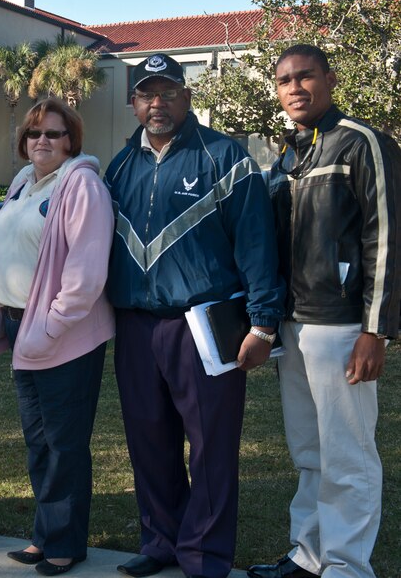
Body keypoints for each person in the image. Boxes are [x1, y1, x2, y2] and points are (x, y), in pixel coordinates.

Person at [104, 54, 285, 578]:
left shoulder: (225, 156)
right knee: (148, 439)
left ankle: (204, 555)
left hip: (206, 325)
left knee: (210, 445)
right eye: (145, 93)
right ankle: (161, 541)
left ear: (186, 96)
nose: (156, 102)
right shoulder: (118, 166)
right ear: (133, 102)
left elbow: (257, 244)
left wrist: (263, 323)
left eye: (167, 92)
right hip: (136, 325)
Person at [247, 44, 401, 578]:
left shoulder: (362, 143)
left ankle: (346, 566)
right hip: (294, 325)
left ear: (329, 79)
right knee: (310, 452)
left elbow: (386, 236)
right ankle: (309, 556)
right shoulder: (288, 155)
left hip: (342, 328)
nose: (294, 88)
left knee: (348, 455)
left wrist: (376, 330)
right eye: (285, 79)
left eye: (305, 76)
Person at [0, 98, 114, 576]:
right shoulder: (22, 183)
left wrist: (52, 325)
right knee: (39, 442)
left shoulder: (82, 184)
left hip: (66, 334)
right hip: (23, 326)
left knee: (64, 443)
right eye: (36, 133)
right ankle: (46, 534)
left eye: (54, 134)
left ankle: (65, 542)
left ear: (71, 140)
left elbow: (85, 270)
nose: (43, 141)